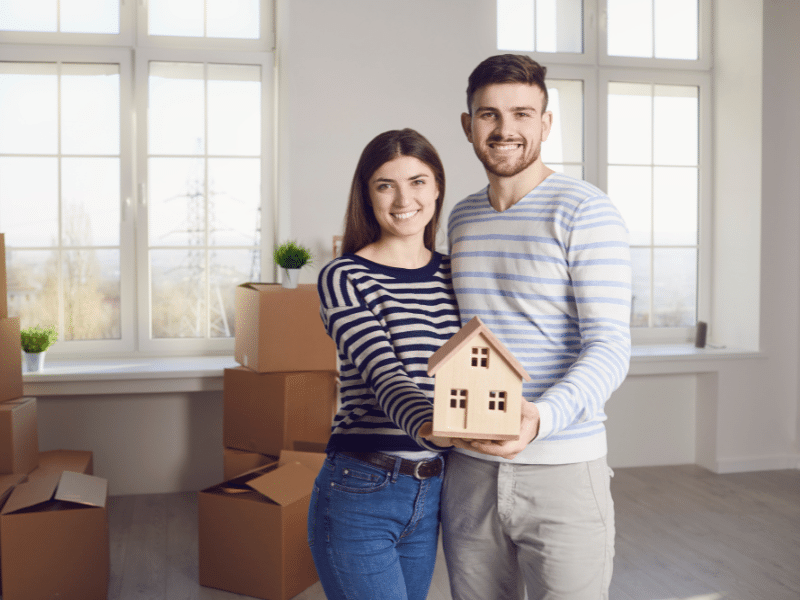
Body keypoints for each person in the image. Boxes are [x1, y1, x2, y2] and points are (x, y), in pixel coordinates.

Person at [441, 54, 632, 600]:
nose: (505, 129)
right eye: (489, 115)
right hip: (470, 470)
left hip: (563, 466)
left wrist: (542, 418)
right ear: (468, 124)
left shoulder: (584, 211)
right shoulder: (461, 217)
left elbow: (610, 345)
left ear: (545, 124)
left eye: (523, 114)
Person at [308, 128, 460, 600]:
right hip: (361, 487)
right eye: (385, 184)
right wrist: (430, 423)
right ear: (366, 194)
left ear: (437, 187)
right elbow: (383, 374)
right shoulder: (344, 275)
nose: (403, 199)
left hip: (434, 488)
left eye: (417, 181)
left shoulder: (457, 273)